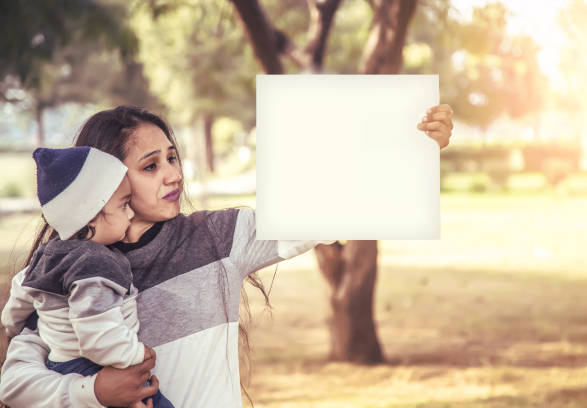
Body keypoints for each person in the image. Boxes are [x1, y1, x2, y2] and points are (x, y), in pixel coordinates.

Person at [0, 104, 453, 408]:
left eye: (173, 157)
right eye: (151, 166)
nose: (174, 174)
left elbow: (325, 210)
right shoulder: (68, 275)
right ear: (104, 185)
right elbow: (14, 385)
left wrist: (415, 149)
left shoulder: (217, 238)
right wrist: (93, 390)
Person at [1, 146, 174, 408]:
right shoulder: (95, 265)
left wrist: (11, 325)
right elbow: (98, 337)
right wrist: (137, 354)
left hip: (58, 364)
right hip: (93, 367)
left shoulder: (47, 254)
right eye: (124, 205)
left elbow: (21, 293)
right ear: (91, 216)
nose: (130, 213)